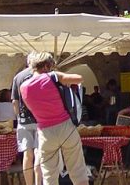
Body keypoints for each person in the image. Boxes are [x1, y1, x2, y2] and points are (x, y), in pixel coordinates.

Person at [20, 51, 88, 185]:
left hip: (45, 133)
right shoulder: (52, 77)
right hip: (65, 127)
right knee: (77, 170)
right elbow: (79, 78)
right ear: (46, 66)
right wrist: (58, 76)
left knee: (49, 176)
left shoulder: (23, 87)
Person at [12, 54, 42, 185]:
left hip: (24, 121)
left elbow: (14, 101)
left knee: (27, 155)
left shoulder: (18, 77)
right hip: (40, 120)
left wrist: (19, 117)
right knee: (39, 153)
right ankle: (38, 182)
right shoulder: (41, 76)